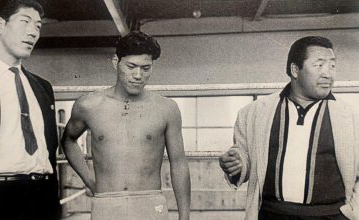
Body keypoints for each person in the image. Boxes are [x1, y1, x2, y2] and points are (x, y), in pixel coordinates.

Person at [219, 36, 358, 220]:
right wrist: (236, 164)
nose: (328, 74)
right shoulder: (254, 113)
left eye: (332, 66)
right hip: (272, 214)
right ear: (295, 70)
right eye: (319, 65)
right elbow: (244, 159)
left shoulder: (351, 118)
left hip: (331, 215)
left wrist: (351, 213)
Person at [61, 31, 191, 220]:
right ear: (116, 62)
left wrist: (185, 216)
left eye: (146, 68)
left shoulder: (166, 108)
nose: (138, 75)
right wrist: (90, 181)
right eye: (131, 66)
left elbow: (179, 163)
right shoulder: (89, 105)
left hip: (150, 202)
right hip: (107, 201)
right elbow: (68, 140)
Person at [0, 0, 62, 219]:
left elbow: (49, 149)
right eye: (25, 21)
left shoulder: (42, 87)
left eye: (38, 26)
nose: (33, 32)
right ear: (0, 25)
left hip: (41, 196)